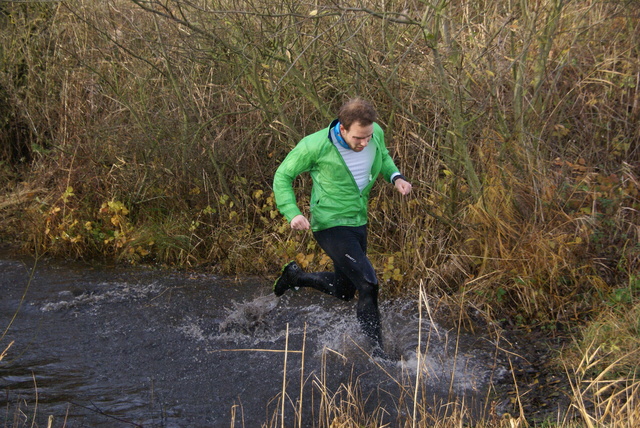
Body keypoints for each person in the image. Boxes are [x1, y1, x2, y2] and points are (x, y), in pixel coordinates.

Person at [272, 97, 412, 356]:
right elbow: (283, 175)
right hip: (330, 224)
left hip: (358, 221)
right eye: (359, 138)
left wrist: (396, 177)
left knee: (345, 290)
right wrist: (292, 212)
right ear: (343, 128)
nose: (365, 142)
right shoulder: (315, 145)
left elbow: (383, 156)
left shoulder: (374, 132)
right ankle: (380, 356)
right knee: (368, 284)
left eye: (368, 136)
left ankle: (296, 277)